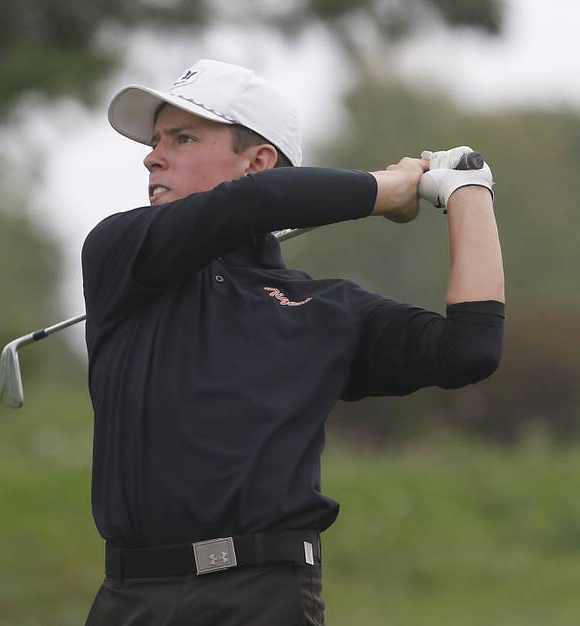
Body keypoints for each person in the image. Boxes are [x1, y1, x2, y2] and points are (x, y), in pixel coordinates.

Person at [80, 59, 504, 626]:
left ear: (258, 162)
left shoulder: (328, 309)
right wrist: (386, 188)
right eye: (157, 141)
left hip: (265, 600)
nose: (152, 156)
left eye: (182, 138)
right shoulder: (121, 253)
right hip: (131, 600)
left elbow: (469, 348)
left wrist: (469, 191)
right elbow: (251, 205)